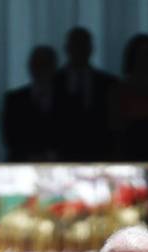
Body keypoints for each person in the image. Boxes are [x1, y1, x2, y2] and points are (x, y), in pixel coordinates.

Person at [56, 27, 118, 160]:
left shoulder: (108, 83)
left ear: (90, 48)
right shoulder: (54, 82)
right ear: (67, 48)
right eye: (75, 45)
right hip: (62, 155)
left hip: (100, 154)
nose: (79, 50)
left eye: (83, 45)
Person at [2, 46, 69, 162]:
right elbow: (10, 137)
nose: (41, 69)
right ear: (30, 66)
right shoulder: (14, 100)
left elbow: (71, 135)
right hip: (22, 165)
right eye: (37, 64)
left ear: (54, 67)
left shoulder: (68, 100)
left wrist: (52, 155)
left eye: (45, 64)